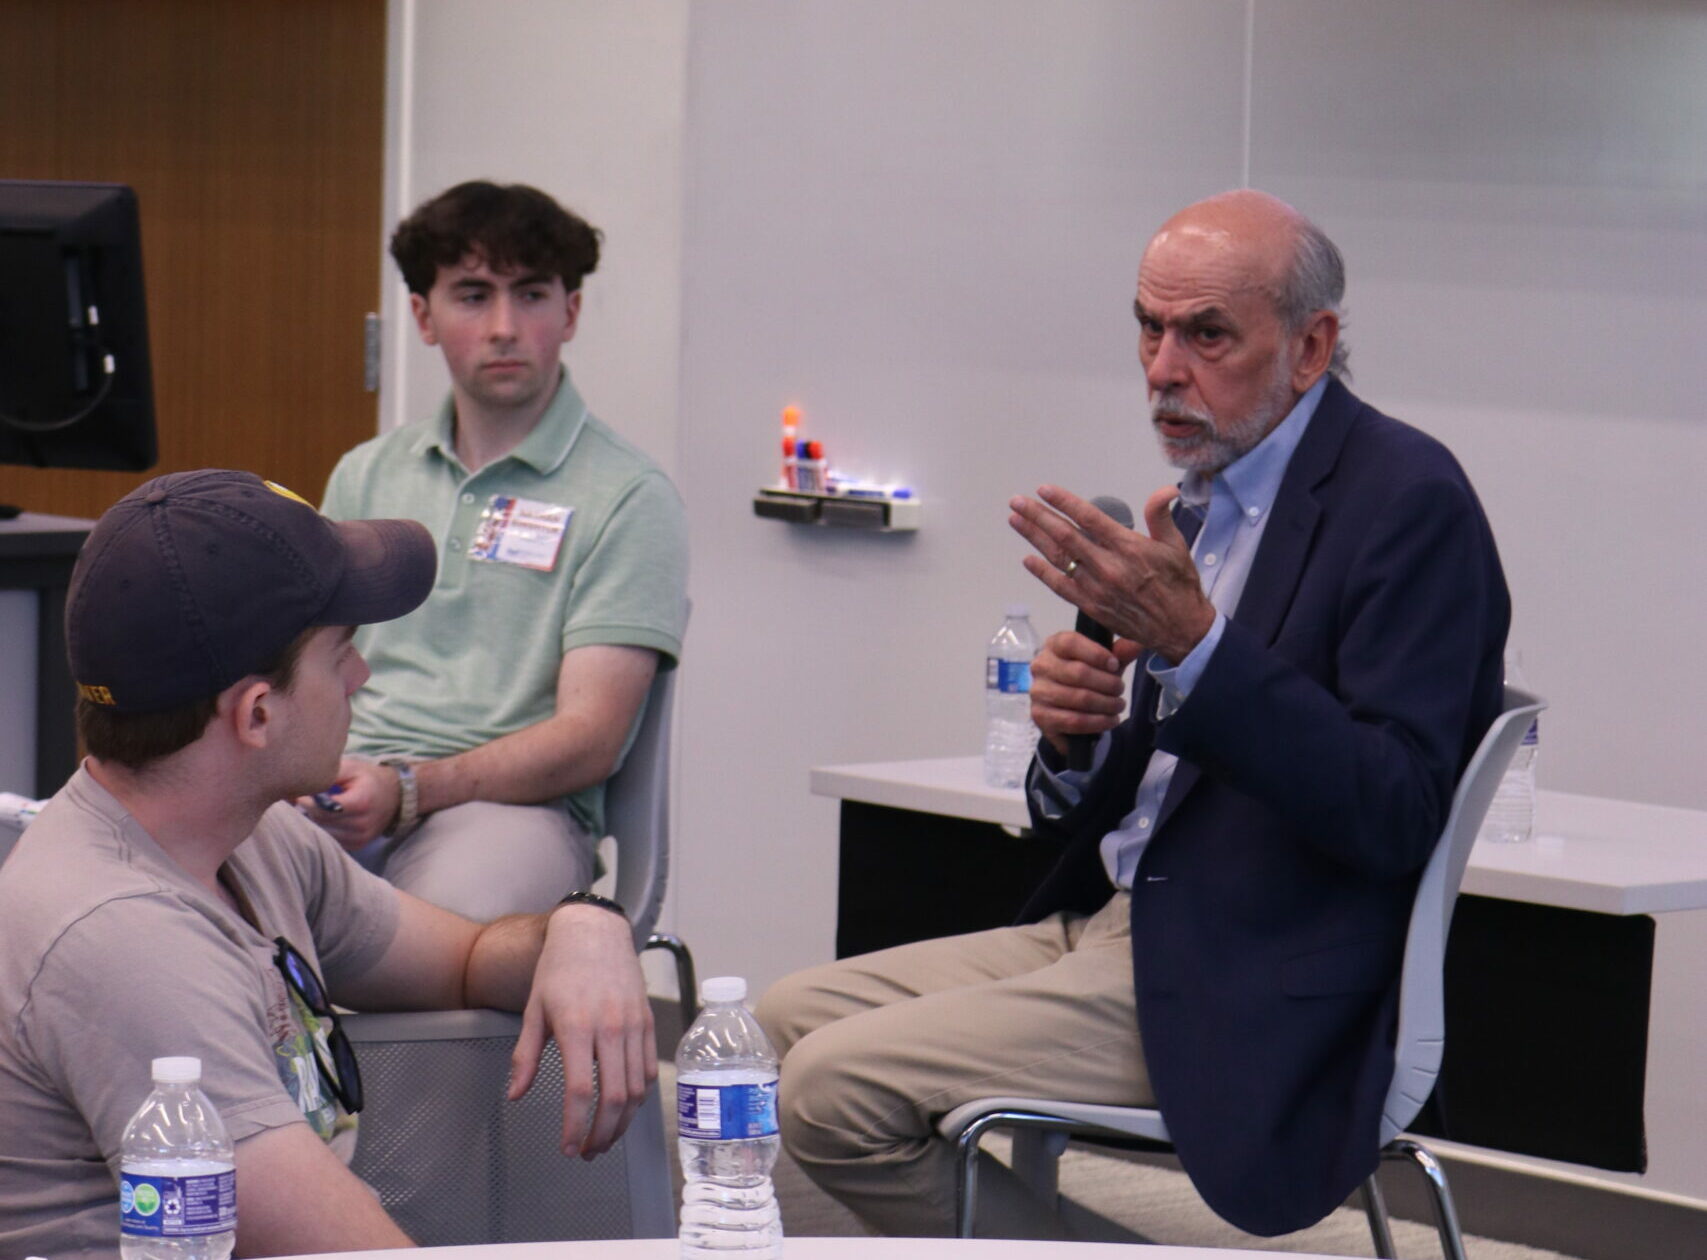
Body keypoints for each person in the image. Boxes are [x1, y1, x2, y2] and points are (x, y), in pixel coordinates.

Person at [756, 190, 1510, 1238]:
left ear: (1311, 347)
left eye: (1206, 334)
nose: (1162, 369)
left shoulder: (1408, 502)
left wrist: (1200, 649)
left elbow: (1395, 808)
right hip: (1120, 920)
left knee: (831, 1093)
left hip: (1258, 975)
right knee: (773, 1028)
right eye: (1149, 329)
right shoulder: (1200, 500)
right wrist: (1077, 737)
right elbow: (1127, 795)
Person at [0, 470, 657, 1258]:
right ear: (257, 713)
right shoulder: (124, 942)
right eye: (340, 653)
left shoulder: (249, 837)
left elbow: (468, 960)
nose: (362, 678)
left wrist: (583, 925)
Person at [302, 180, 690, 921]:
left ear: (570, 311)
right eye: (473, 295)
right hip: (344, 785)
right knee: (181, 894)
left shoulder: (631, 496)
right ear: (422, 315)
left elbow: (590, 741)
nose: (505, 327)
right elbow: (306, 664)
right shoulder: (367, 472)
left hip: (516, 812)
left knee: (431, 928)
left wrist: (411, 790)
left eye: (532, 295)